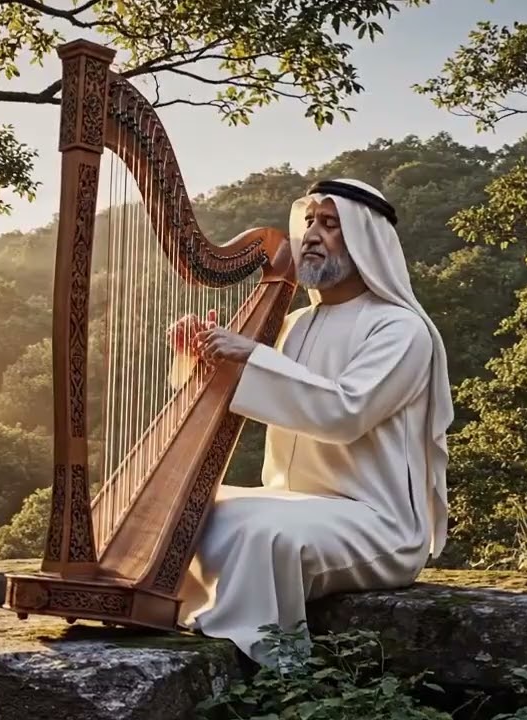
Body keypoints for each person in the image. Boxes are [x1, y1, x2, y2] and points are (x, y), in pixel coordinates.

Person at [166, 178, 453, 667]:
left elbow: (344, 413)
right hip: (292, 502)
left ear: (366, 238)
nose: (311, 235)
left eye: (330, 224)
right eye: (309, 222)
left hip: (376, 521)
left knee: (264, 537)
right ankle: (171, 614)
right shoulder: (296, 323)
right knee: (185, 502)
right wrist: (201, 360)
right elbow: (268, 393)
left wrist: (252, 355)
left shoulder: (400, 330)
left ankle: (263, 664)